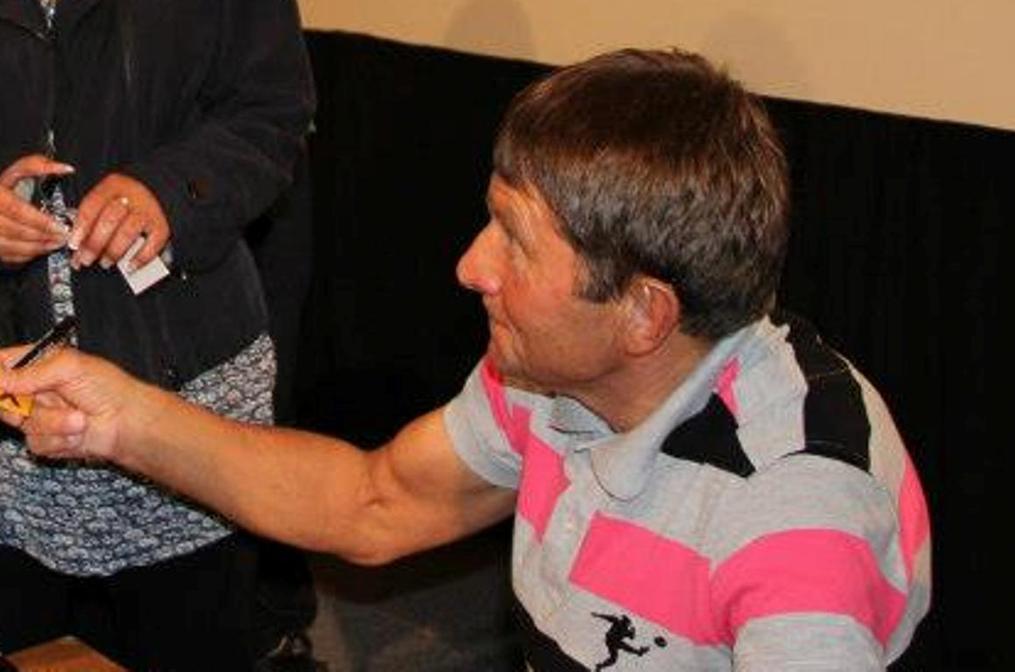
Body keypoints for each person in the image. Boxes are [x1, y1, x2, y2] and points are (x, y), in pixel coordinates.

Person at [2, 48, 931, 670]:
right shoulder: (557, 379)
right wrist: (117, 418)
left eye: (515, 242)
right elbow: (373, 501)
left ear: (644, 312)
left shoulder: (797, 521)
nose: (471, 267)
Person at [0, 0, 317, 668]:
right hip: (11, 394)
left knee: (185, 633)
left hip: (183, 371)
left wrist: (174, 190)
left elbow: (274, 107)